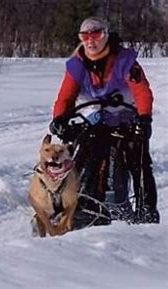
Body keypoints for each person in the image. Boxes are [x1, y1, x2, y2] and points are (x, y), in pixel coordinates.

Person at [48, 16, 159, 224]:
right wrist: (59, 119)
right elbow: (65, 97)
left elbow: (142, 91)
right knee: (82, 152)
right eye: (85, 36)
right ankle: (76, 204)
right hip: (95, 118)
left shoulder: (124, 61)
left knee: (139, 158)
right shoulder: (77, 65)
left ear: (106, 36)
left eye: (96, 35)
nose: (91, 41)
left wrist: (144, 118)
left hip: (128, 116)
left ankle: (147, 211)